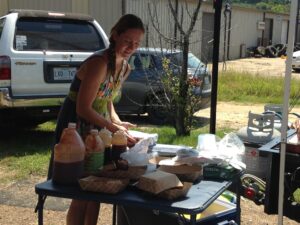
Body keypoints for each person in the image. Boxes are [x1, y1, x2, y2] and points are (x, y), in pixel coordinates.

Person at [52, 14, 145, 225]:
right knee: (81, 193)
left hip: (98, 129)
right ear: (114, 36)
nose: (131, 47)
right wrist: (112, 128)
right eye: (127, 41)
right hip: (76, 128)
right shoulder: (99, 63)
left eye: (137, 43)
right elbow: (83, 108)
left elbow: (107, 100)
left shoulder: (125, 67)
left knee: (96, 190)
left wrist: (119, 123)